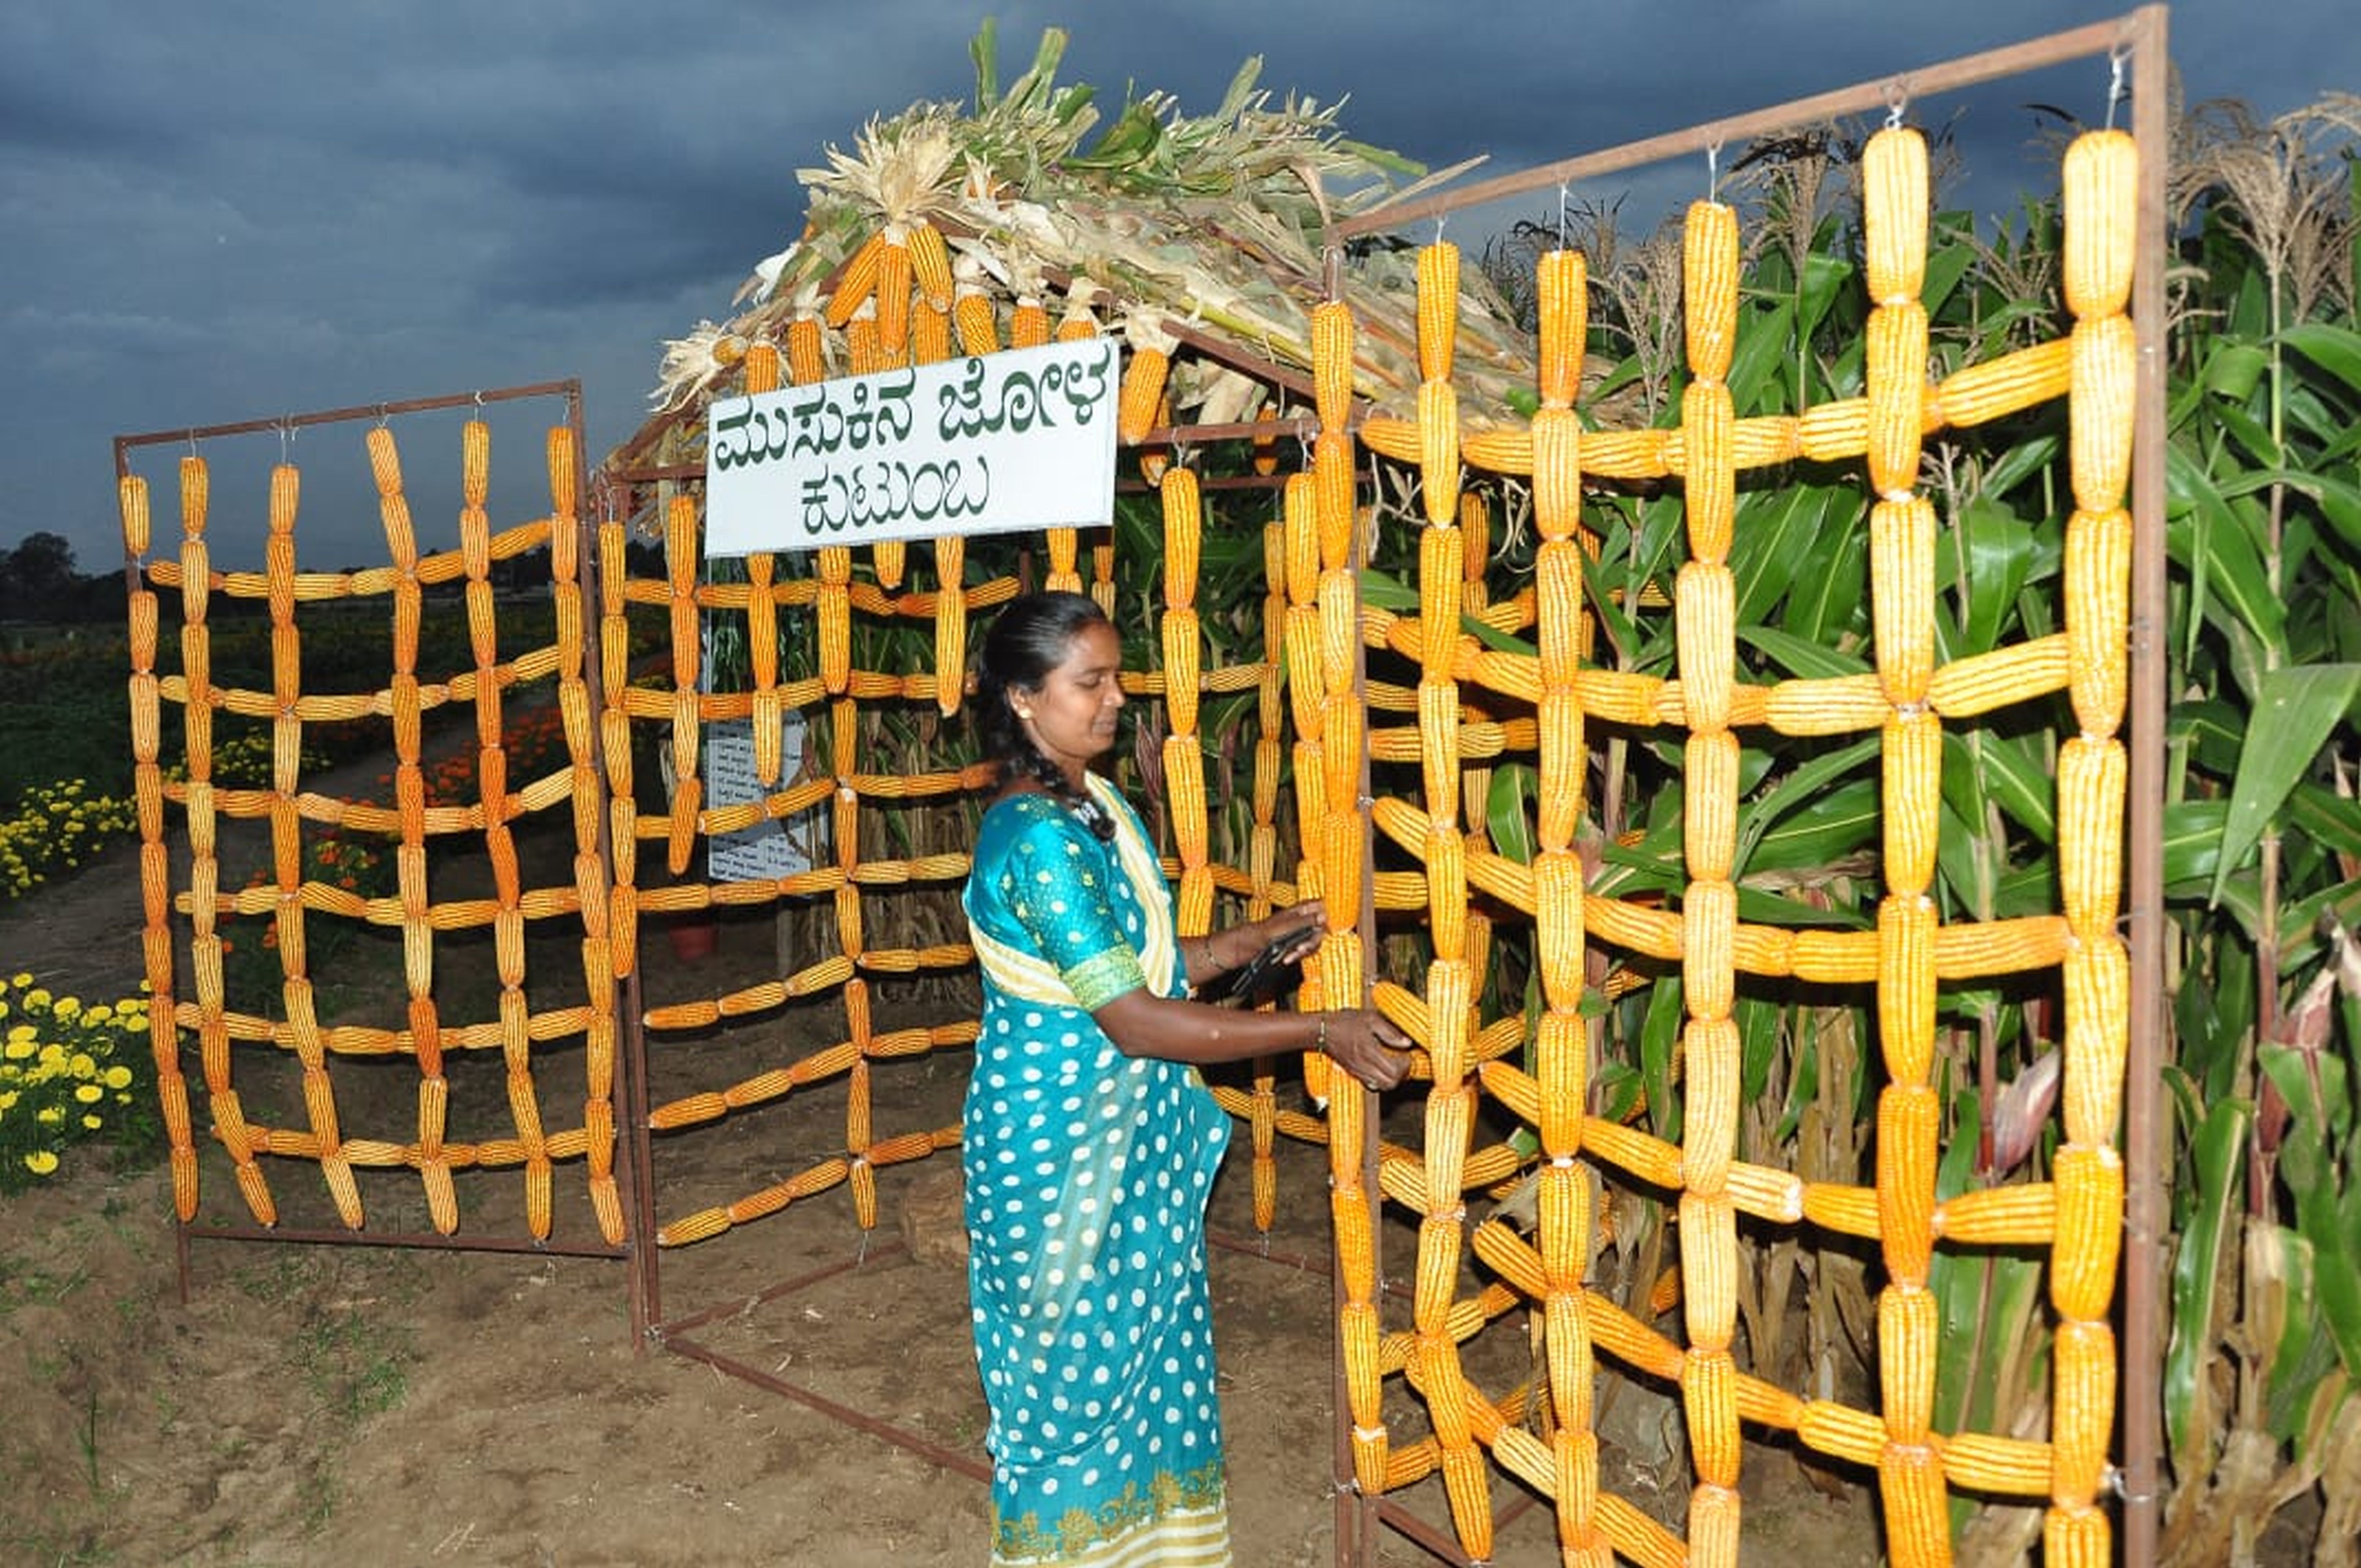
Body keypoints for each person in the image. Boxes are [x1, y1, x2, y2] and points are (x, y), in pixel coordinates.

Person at [960, 590, 1411, 1566]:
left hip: (1110, 1141)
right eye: (1091, 682)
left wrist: (1255, 937)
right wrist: (1319, 1028)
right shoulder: (1034, 839)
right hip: (1059, 1153)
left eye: (1117, 677)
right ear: (1025, 699)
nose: (1117, 698)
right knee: (1072, 1383)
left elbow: (1141, 966)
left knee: (1144, 1358)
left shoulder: (1091, 808)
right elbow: (1134, 1020)